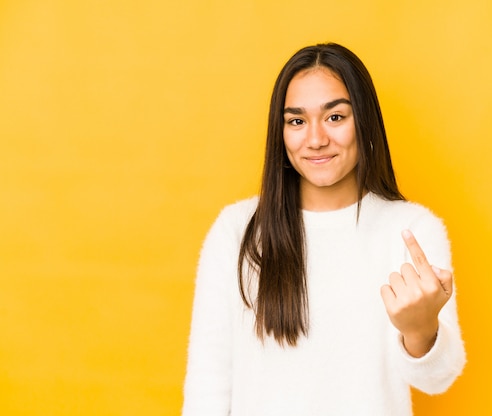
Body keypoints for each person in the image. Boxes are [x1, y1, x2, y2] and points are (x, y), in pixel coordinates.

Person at [182, 42, 465, 416]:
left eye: (335, 117)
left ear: (363, 121)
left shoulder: (411, 230)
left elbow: (438, 378)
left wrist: (420, 329)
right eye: (296, 121)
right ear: (280, 134)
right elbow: (208, 383)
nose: (315, 139)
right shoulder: (237, 231)